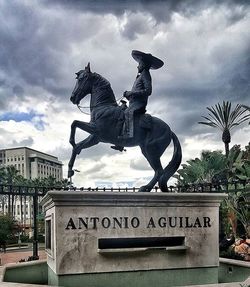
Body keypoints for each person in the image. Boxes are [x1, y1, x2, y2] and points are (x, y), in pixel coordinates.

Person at [111, 50, 164, 152]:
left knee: (127, 112)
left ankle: (125, 137)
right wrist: (129, 96)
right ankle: (119, 141)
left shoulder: (146, 75)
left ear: (144, 64)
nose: (137, 66)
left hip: (139, 104)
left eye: (139, 64)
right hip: (134, 102)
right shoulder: (140, 76)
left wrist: (132, 93)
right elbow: (137, 92)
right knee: (120, 111)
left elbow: (148, 91)